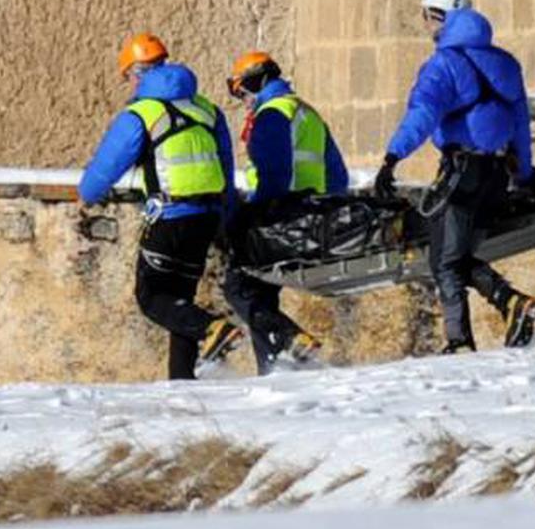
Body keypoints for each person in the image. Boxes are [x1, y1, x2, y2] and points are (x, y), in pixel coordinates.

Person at [374, 0, 535, 354]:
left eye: (428, 17)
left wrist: (392, 157)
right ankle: (511, 303)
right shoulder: (506, 63)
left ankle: (461, 340)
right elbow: (521, 126)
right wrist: (524, 175)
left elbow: (423, 114)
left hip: (461, 172)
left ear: (440, 17)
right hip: (496, 176)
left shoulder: (443, 64)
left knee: (444, 261)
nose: (426, 25)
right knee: (460, 256)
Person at [79, 33, 242, 380]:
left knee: (151, 297)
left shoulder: (142, 113)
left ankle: (213, 328)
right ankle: (182, 381)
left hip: (169, 217)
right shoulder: (207, 109)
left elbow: (106, 167)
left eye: (128, 76)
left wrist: (88, 195)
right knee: (179, 298)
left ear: (137, 72)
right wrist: (226, 215)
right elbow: (226, 167)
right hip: (207, 216)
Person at [221, 51, 348, 374]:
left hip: (280, 213)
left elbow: (274, 174)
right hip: (312, 214)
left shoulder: (273, 114)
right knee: (262, 293)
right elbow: (338, 176)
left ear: (254, 82)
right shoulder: (307, 112)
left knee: (239, 285)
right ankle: (273, 367)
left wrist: (254, 215)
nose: (244, 101)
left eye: (242, 92)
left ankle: (292, 341)